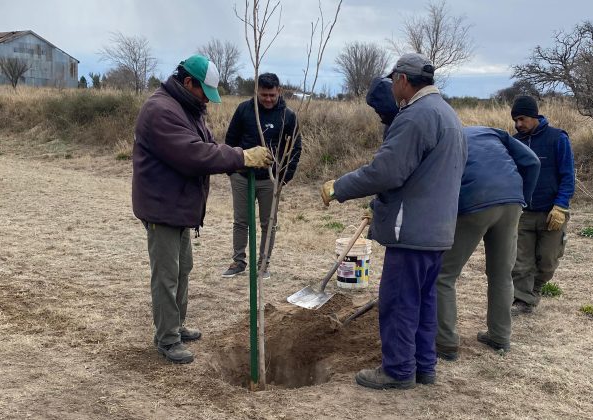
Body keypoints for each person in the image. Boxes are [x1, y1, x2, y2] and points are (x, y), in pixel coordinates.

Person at [321, 53, 467, 390]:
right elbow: (422, 175)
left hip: (412, 231)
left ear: (402, 79)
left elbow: (386, 171)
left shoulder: (415, 116)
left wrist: (338, 187)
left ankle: (399, 370)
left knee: (400, 302)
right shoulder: (447, 114)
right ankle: (423, 368)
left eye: (392, 81)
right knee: (424, 303)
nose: (392, 87)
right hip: (438, 231)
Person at [132, 55, 272, 364]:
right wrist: (241, 157)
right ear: (188, 83)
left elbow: (208, 145)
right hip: (162, 207)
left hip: (178, 206)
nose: (207, 101)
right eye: (203, 92)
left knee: (183, 269)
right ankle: (167, 339)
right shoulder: (160, 111)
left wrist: (235, 158)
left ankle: (176, 325)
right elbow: (194, 155)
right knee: (167, 275)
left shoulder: (188, 108)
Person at [436, 126, 540, 361]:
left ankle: (445, 343)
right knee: (502, 274)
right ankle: (500, 336)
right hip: (512, 200)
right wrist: (524, 197)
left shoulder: (445, 137)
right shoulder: (491, 132)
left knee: (443, 275)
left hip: (475, 202)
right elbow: (532, 162)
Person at [221, 73, 302, 280]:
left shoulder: (289, 116)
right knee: (241, 221)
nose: (268, 99)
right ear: (256, 91)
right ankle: (238, 261)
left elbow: (294, 150)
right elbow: (230, 141)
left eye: (272, 95)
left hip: (270, 181)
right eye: (264, 94)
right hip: (241, 177)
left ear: (279, 92)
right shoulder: (244, 110)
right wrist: (232, 169)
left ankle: (263, 264)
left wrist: (283, 178)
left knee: (268, 223)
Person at [509, 95, 575, 314]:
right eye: (515, 120)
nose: (518, 124)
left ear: (534, 116)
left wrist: (561, 206)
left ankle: (534, 289)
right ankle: (523, 299)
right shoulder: (514, 142)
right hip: (523, 212)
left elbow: (567, 176)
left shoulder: (557, 138)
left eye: (522, 119)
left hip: (551, 212)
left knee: (547, 260)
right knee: (520, 261)